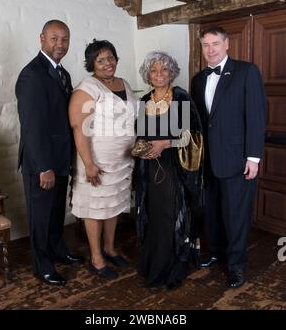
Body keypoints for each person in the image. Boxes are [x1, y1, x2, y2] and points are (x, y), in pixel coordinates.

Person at [191, 26, 266, 288]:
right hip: (208, 160)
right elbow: (200, 122)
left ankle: (236, 266)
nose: (210, 50)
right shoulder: (198, 79)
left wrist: (253, 158)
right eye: (205, 45)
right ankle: (215, 253)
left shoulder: (247, 72)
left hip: (237, 159)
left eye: (215, 44)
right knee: (211, 211)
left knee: (236, 215)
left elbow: (256, 118)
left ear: (227, 45)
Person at [15, 20, 84, 286]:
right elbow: (32, 127)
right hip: (41, 163)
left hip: (60, 159)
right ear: (42, 38)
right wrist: (44, 166)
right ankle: (42, 266)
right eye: (54, 38)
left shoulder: (62, 73)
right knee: (41, 217)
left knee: (56, 213)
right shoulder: (31, 74)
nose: (60, 44)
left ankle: (58, 250)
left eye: (65, 39)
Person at [69, 39, 138, 280]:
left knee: (114, 206)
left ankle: (110, 248)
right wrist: (89, 164)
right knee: (96, 208)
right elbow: (79, 127)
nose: (107, 63)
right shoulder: (87, 88)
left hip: (122, 161)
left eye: (111, 58)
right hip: (96, 161)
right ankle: (96, 257)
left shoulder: (124, 83)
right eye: (101, 60)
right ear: (91, 64)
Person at [134, 51, 204, 289]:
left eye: (164, 69)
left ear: (171, 72)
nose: (159, 74)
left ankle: (169, 268)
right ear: (148, 75)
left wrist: (164, 143)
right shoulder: (144, 101)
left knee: (169, 217)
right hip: (149, 169)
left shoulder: (180, 98)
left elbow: (191, 138)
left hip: (173, 169)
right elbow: (141, 135)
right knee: (153, 217)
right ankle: (153, 263)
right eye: (153, 70)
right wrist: (141, 148)